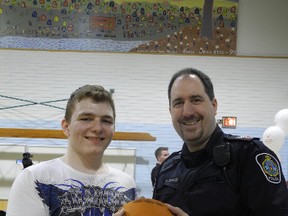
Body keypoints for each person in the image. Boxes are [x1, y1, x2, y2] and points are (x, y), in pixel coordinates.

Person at [152, 68, 288, 215]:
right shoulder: (167, 170)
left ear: (214, 105)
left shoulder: (249, 157)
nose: (187, 112)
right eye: (178, 103)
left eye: (196, 100)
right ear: (170, 111)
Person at [6, 85, 137, 216]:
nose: (97, 128)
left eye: (106, 121)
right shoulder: (36, 178)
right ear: (66, 126)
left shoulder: (126, 184)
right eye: (86, 119)